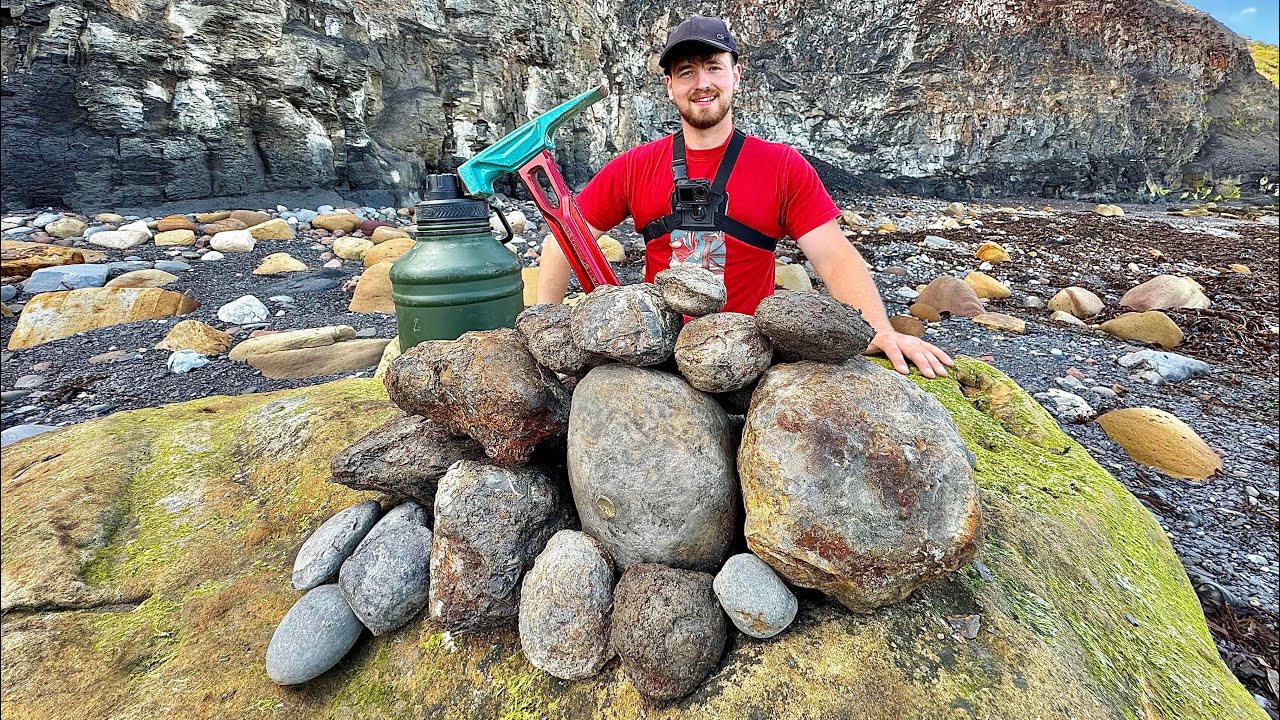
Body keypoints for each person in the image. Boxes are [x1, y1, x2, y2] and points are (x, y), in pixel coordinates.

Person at [537, 15, 953, 378]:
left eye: (714, 68)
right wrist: (548, 336)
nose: (702, 84)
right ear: (669, 86)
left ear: (736, 74)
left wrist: (880, 330)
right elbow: (563, 239)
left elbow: (834, 256)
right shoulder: (633, 166)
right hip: (655, 363)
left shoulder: (782, 167)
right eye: (685, 72)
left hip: (747, 360)